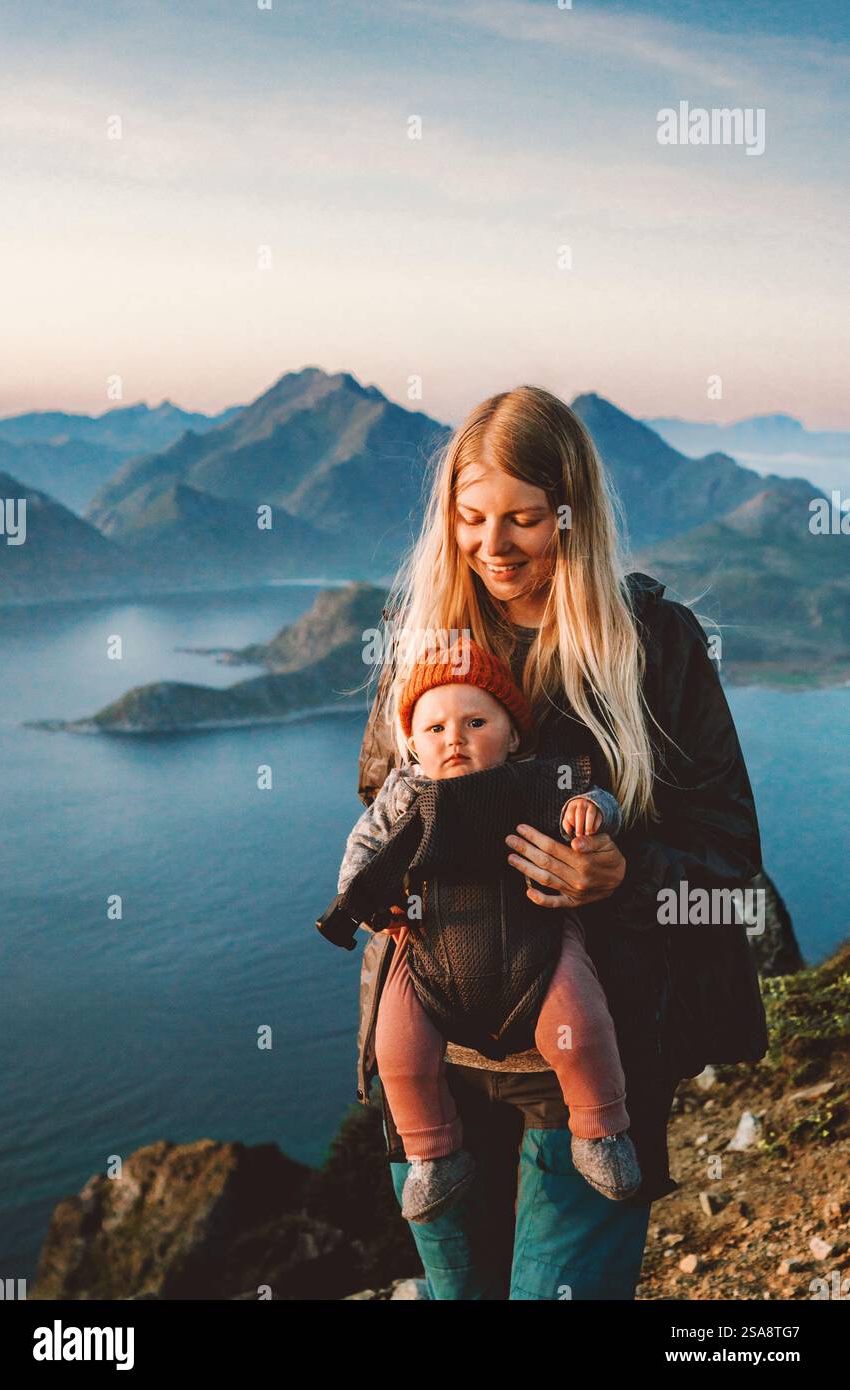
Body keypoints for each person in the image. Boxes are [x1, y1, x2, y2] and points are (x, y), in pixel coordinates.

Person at [352, 384, 765, 1300]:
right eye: (469, 519)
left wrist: (623, 875)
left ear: (571, 513)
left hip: (589, 1069)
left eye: (523, 521)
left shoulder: (654, 645)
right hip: (435, 1064)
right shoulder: (424, 643)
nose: (492, 549)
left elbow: (731, 868)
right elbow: (379, 811)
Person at [336, 638, 640, 1220]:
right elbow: (363, 848)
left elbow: (598, 798)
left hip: (540, 932)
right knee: (397, 1050)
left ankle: (601, 1131)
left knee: (579, 1022)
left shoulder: (537, 779)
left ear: (514, 734)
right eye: (434, 728)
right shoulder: (404, 794)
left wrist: (594, 811)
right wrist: (367, 904)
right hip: (423, 943)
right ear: (412, 743)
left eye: (476, 721)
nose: (454, 738)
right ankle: (432, 1155)